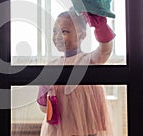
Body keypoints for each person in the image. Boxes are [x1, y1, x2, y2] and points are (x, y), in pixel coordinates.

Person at [37, 7, 115, 136]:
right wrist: (43, 94)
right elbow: (44, 109)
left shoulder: (88, 61)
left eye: (64, 31)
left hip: (87, 127)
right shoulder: (52, 66)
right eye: (54, 32)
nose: (57, 37)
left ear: (82, 34)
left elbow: (105, 50)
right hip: (60, 129)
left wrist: (101, 26)